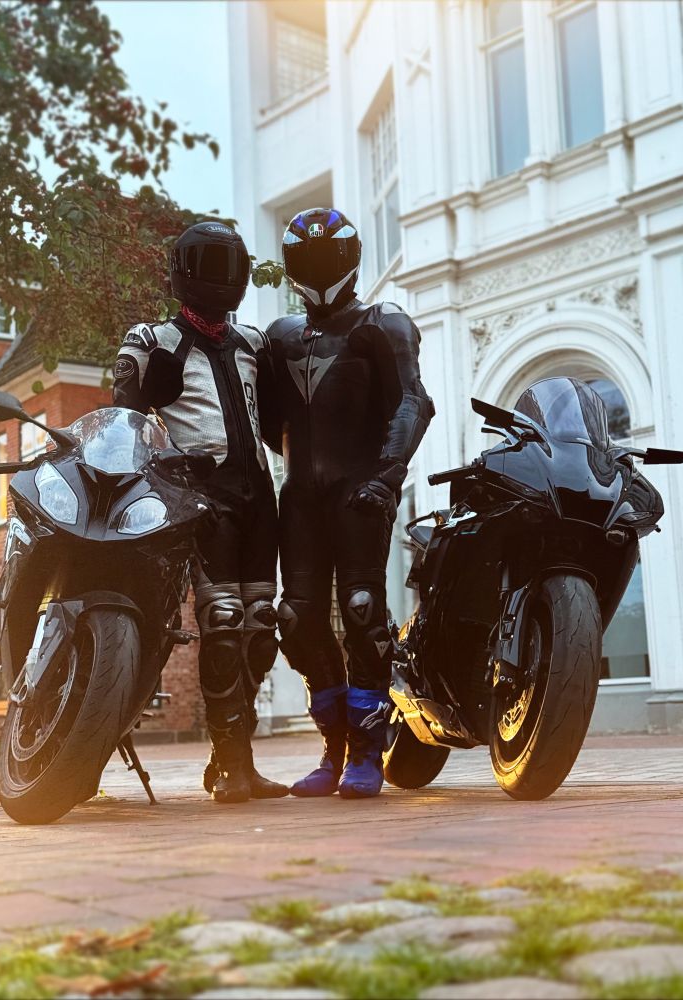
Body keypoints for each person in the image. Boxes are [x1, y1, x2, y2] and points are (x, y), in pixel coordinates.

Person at [112, 221, 288, 804]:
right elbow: (125, 421)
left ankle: (231, 757)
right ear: (185, 272)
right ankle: (235, 765)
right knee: (224, 623)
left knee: (262, 629)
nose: (223, 276)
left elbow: (282, 425)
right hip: (205, 499)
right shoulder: (152, 339)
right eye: (212, 263)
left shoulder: (254, 344)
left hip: (260, 496)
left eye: (228, 264)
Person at [266, 207, 434, 799]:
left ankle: (366, 750)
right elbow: (270, 423)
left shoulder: (384, 323)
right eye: (304, 260)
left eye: (325, 257)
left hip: (362, 493)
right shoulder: (280, 337)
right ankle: (332, 752)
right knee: (296, 618)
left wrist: (386, 477)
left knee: (362, 609)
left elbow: (414, 403)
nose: (315, 270)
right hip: (303, 500)